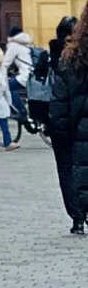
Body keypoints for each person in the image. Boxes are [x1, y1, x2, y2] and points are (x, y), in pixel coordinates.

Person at [45, 14, 80, 229]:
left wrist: (54, 124)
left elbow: (56, 95)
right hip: (80, 120)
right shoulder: (79, 56)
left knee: (66, 171)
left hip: (62, 121)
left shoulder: (54, 55)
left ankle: (77, 217)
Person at [5, 25, 36, 125]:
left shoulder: (14, 45)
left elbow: (5, 64)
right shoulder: (28, 43)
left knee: (7, 88)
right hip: (34, 75)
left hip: (26, 76)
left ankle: (22, 112)